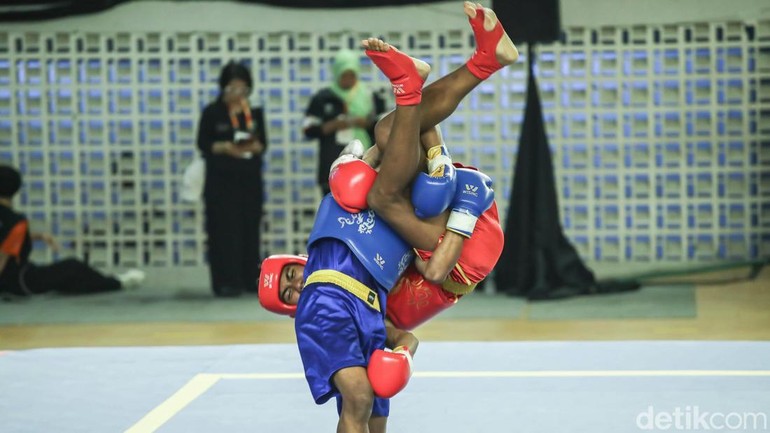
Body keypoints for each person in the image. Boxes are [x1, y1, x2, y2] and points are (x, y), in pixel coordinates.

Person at [258, 4, 518, 432]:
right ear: (293, 308)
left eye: (289, 275)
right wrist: (403, 355)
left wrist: (357, 159)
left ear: (297, 260)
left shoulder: (340, 207)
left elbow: (393, 143)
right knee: (363, 395)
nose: (295, 283)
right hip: (457, 254)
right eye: (289, 292)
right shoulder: (354, 281)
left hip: (449, 227)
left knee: (386, 134)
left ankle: (482, 61)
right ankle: (414, 87)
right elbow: (430, 278)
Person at [0, 165, 145, 299]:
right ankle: (117, 282)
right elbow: (3, 256)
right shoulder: (15, 221)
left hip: (16, 277)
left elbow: (6, 239)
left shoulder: (13, 223)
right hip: (19, 282)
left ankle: (111, 281)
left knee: (69, 279)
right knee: (73, 267)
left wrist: (38, 236)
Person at [196, 61, 268, 298]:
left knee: (249, 229)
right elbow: (203, 143)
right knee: (224, 232)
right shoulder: (212, 112)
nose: (237, 94)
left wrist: (255, 146)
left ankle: (250, 278)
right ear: (223, 88)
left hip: (249, 181)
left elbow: (263, 143)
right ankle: (226, 281)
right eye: (232, 88)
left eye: (242, 88)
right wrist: (226, 147)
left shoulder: (254, 111)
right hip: (221, 183)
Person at [302, 49, 387, 196]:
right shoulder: (323, 98)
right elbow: (308, 129)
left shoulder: (370, 96)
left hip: (366, 160)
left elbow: (385, 126)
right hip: (333, 161)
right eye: (344, 75)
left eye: (351, 75)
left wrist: (366, 123)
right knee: (334, 202)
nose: (348, 79)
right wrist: (330, 126)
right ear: (337, 73)